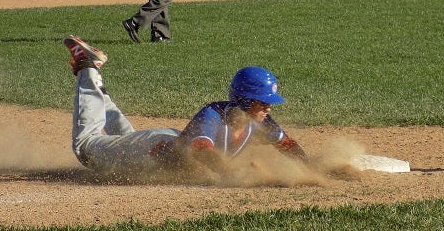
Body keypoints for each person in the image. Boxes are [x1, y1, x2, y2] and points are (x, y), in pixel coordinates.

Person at [62, 35, 307, 173]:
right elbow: (202, 150)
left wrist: (310, 169)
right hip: (148, 152)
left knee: (125, 140)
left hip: (162, 143)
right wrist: (230, 173)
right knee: (86, 147)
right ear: (244, 99)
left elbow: (286, 143)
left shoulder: (258, 121)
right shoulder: (213, 114)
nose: (268, 108)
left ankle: (99, 89)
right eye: (263, 102)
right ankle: (87, 67)